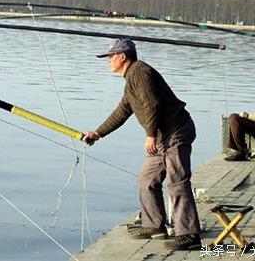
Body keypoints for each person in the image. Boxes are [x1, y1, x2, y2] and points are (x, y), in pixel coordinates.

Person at [83, 38, 202, 250]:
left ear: (122, 57)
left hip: (175, 131)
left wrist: (149, 134)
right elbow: (122, 111)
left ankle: (189, 235)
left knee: (177, 181)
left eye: (110, 57)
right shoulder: (131, 80)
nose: (108, 61)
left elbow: (152, 104)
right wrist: (98, 133)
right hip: (160, 137)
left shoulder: (139, 72)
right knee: (146, 179)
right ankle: (154, 226)